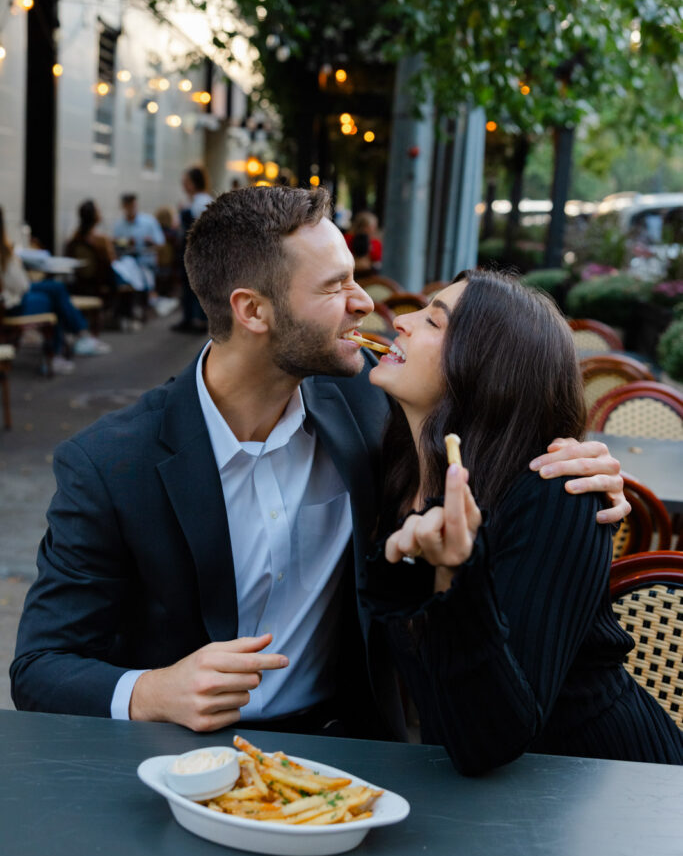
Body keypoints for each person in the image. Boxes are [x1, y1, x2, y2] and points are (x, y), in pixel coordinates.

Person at [10, 187, 628, 738]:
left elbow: (487, 411)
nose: (367, 303)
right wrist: (150, 692)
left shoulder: (372, 403)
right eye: (335, 286)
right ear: (253, 311)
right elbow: (41, 667)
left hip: (360, 750)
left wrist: (581, 461)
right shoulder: (110, 462)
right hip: (182, 759)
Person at [362, 269, 683, 773]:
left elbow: (492, 740)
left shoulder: (560, 493)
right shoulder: (392, 474)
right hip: (467, 796)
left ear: (485, 368)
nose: (400, 321)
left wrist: (456, 580)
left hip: (603, 787)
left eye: (434, 322)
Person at [0, 205, 111, 373]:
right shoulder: (4, 252)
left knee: (56, 289)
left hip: (9, 297)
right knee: (53, 298)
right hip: (11, 303)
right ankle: (67, 346)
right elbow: (21, 285)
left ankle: (77, 338)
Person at [171, 166, 212, 333]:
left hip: (197, 250)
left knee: (196, 286)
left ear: (194, 183)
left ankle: (198, 321)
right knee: (188, 285)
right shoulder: (194, 201)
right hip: (190, 249)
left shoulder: (202, 201)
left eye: (186, 182)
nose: (184, 186)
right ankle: (189, 319)